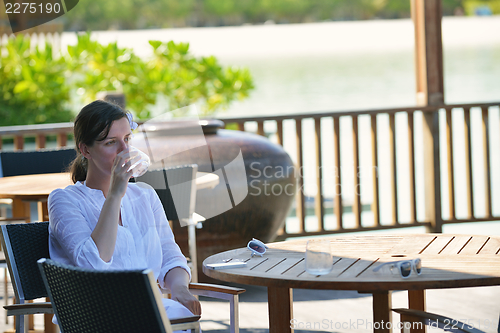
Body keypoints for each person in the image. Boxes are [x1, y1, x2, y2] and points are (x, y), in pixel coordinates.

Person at [48, 100, 201, 322]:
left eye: (127, 139)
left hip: (151, 312)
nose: (125, 151)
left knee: (183, 317)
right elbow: (92, 265)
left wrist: (180, 289)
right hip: (96, 319)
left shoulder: (145, 195)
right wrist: (114, 196)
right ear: (85, 149)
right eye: (111, 142)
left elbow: (170, 256)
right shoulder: (64, 200)